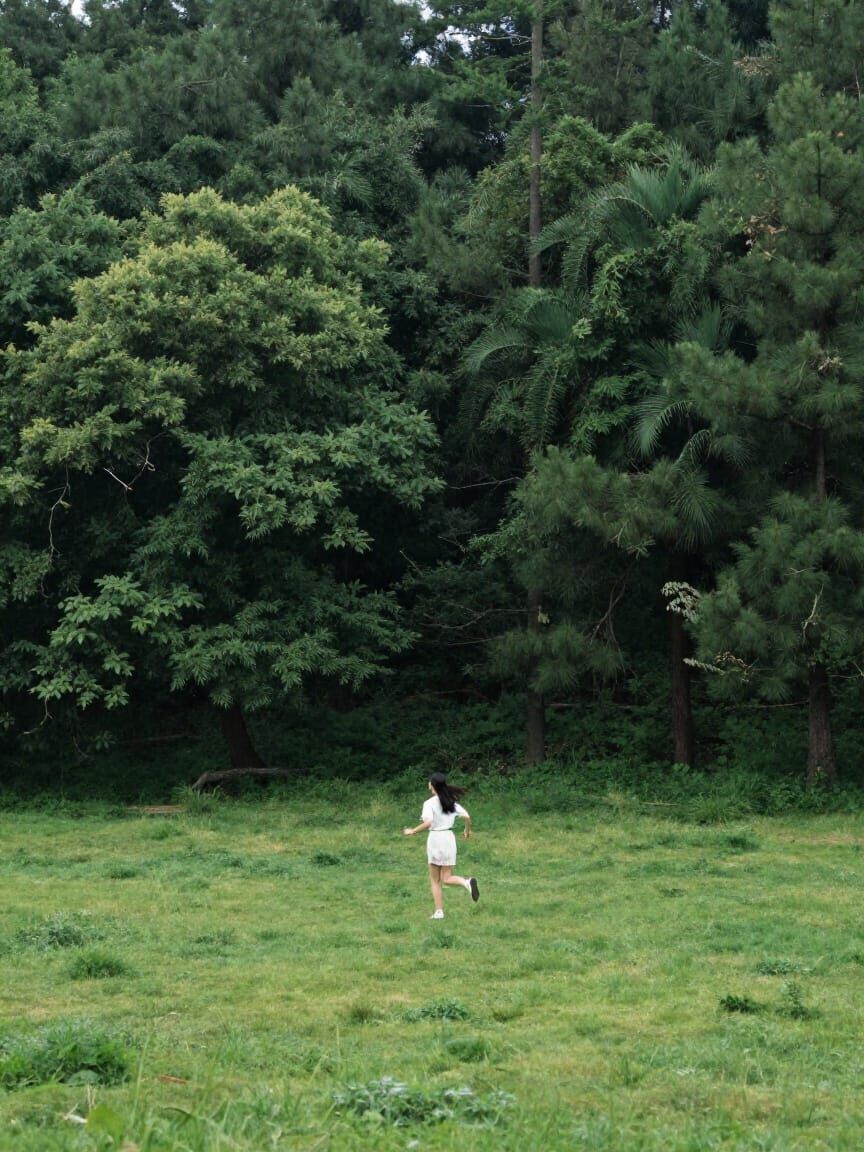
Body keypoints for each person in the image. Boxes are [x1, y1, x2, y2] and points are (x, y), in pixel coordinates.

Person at [403, 772, 480, 919]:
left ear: (432, 785)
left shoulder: (429, 803)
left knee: (435, 879)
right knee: (446, 877)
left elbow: (428, 823)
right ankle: (466, 882)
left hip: (436, 839)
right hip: (449, 838)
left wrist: (412, 831)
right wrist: (467, 830)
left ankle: (439, 911)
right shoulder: (451, 802)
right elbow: (467, 817)